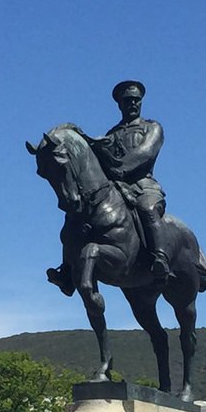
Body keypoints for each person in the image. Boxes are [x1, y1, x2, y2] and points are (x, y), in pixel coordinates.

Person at [48, 80, 170, 293]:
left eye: (135, 100)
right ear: (120, 105)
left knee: (147, 209)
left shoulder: (153, 128)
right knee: (75, 215)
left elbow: (144, 154)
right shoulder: (111, 134)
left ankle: (160, 258)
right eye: (127, 101)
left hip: (143, 186)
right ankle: (67, 272)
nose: (132, 104)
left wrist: (119, 169)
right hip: (116, 186)